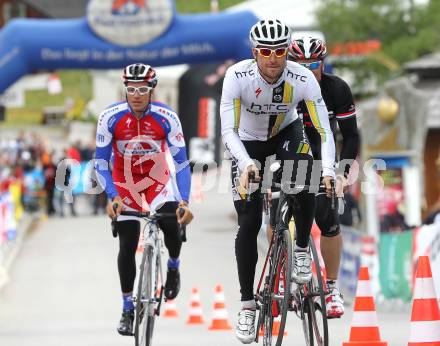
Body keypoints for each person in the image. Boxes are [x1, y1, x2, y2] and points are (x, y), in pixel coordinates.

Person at [220, 20, 336, 343]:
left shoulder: (301, 78)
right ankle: (247, 305)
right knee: (249, 220)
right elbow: (227, 131)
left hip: (286, 133)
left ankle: (300, 249)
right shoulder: (237, 77)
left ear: (288, 52)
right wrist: (244, 164)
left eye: (280, 51)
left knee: (307, 175)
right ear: (255, 52)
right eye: (266, 51)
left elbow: (324, 129)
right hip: (247, 143)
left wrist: (328, 170)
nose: (273, 58)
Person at [94, 63, 194, 336]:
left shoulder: (166, 117)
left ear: (152, 90)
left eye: (142, 89)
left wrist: (184, 200)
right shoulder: (110, 117)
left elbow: (181, 163)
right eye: (131, 89)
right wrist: (112, 196)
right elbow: (100, 162)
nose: (136, 94)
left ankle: (173, 266)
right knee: (127, 244)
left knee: (172, 224)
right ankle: (127, 308)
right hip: (124, 184)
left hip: (156, 182)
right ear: (125, 90)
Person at [287, 36, 360, 318]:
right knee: (274, 209)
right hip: (285, 155)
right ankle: (281, 277)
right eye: (300, 64)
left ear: (323, 63)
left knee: (326, 216)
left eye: (314, 64)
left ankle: (330, 288)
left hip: (322, 158)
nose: (307, 70)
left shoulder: (337, 89)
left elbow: (350, 135)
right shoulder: (281, 88)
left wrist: (341, 174)